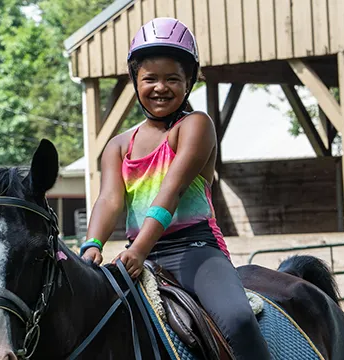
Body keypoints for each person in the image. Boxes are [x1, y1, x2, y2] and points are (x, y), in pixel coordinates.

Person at [79, 17, 271, 359]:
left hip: (195, 251)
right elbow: (109, 199)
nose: (160, 88)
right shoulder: (118, 146)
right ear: (135, 82)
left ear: (189, 82)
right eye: (150, 78)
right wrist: (92, 244)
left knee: (239, 320)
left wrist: (138, 250)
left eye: (172, 79)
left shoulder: (195, 126)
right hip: (137, 254)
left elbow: (172, 189)